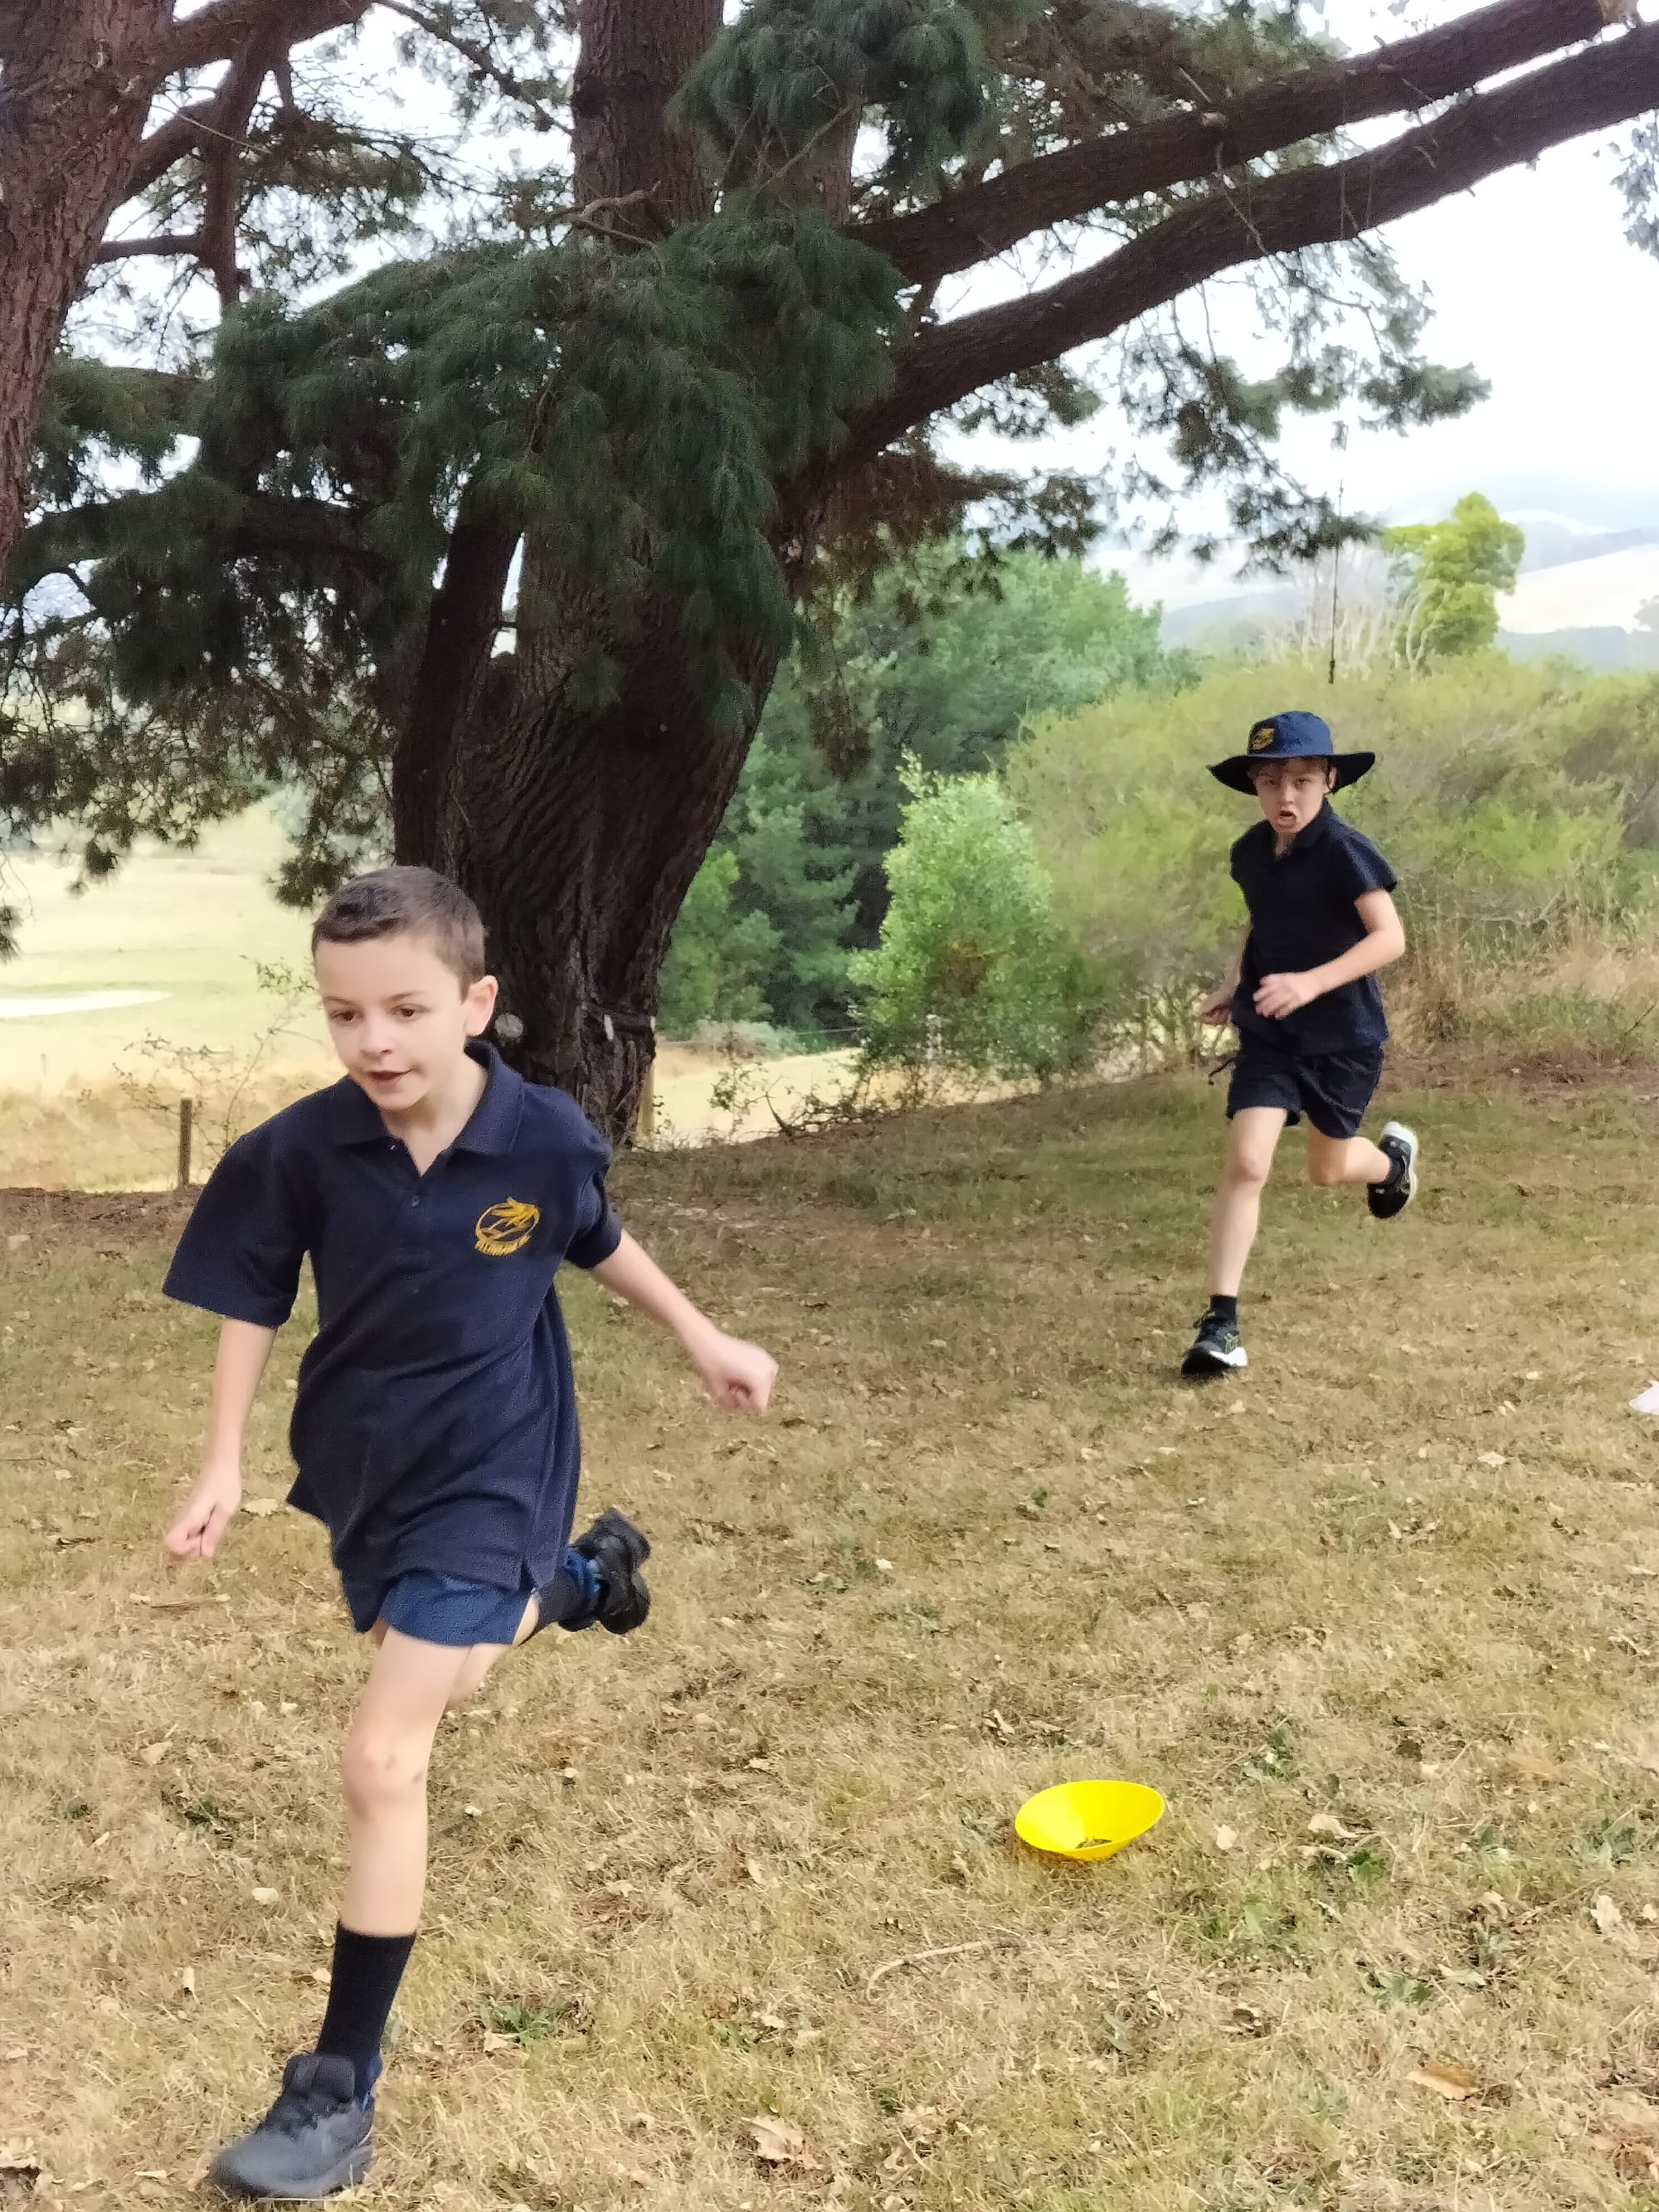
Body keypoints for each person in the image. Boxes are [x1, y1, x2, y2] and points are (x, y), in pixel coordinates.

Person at [161, 865, 777, 2198]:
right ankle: (582, 1576)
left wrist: (699, 1331)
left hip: (502, 1454)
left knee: (386, 1752)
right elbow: (253, 1293)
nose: (373, 1040)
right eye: (342, 1014)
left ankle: (337, 2088)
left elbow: (593, 1233)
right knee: (459, 1650)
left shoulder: (543, 1134)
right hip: (368, 1463)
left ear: (476, 1002)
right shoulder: (301, 1149)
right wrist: (222, 1456)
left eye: (403, 1008)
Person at [1182, 711, 1418, 1379]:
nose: (1286, 796)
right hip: (1271, 1033)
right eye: (1271, 781)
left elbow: (1389, 939)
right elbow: (1262, 920)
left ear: (1329, 780)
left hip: (1343, 1039)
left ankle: (1392, 1166)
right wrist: (1234, 983)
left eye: (1302, 781)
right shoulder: (1251, 853)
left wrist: (1311, 983)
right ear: (1254, 786)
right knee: (1248, 1162)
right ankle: (1221, 1323)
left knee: (1326, 1168)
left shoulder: (1345, 851)